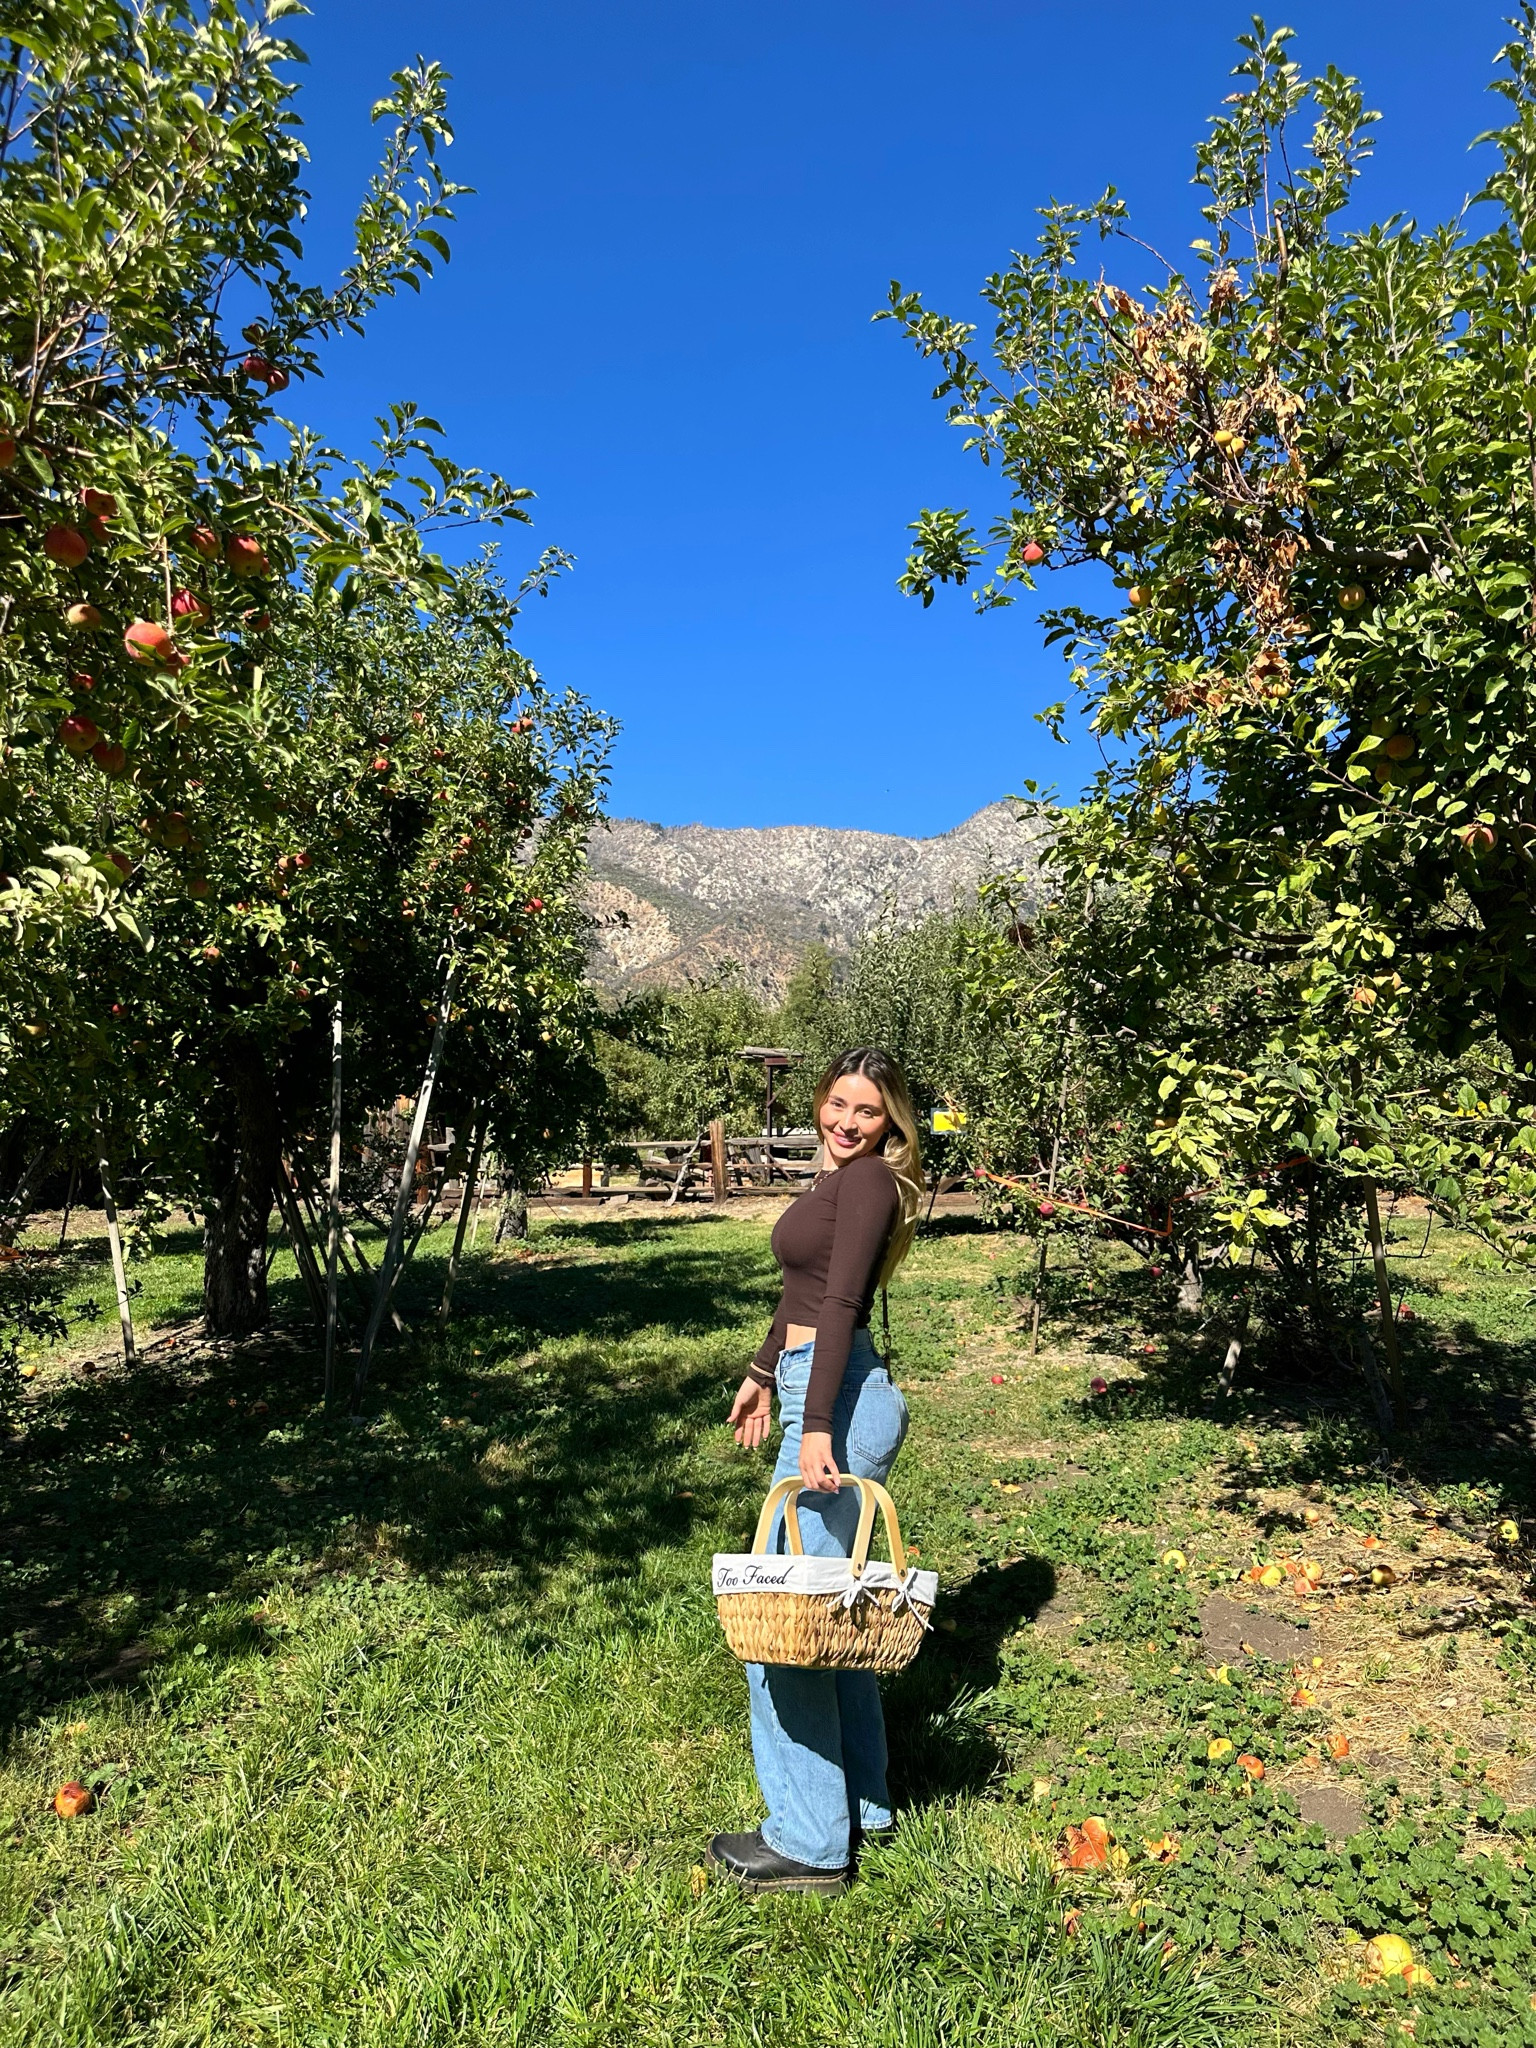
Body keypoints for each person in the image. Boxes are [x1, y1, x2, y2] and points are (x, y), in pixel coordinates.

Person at [708, 1046, 924, 1895]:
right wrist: (764, 1376)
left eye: (867, 1112)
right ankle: (862, 1806)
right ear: (821, 1101)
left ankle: (808, 1842)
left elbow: (840, 1306)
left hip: (834, 1398)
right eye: (839, 1104)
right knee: (830, 1616)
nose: (847, 1122)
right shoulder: (838, 1183)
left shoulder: (868, 1181)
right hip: (813, 1385)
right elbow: (800, 1296)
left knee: (785, 1636)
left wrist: (816, 1422)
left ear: (890, 1122)